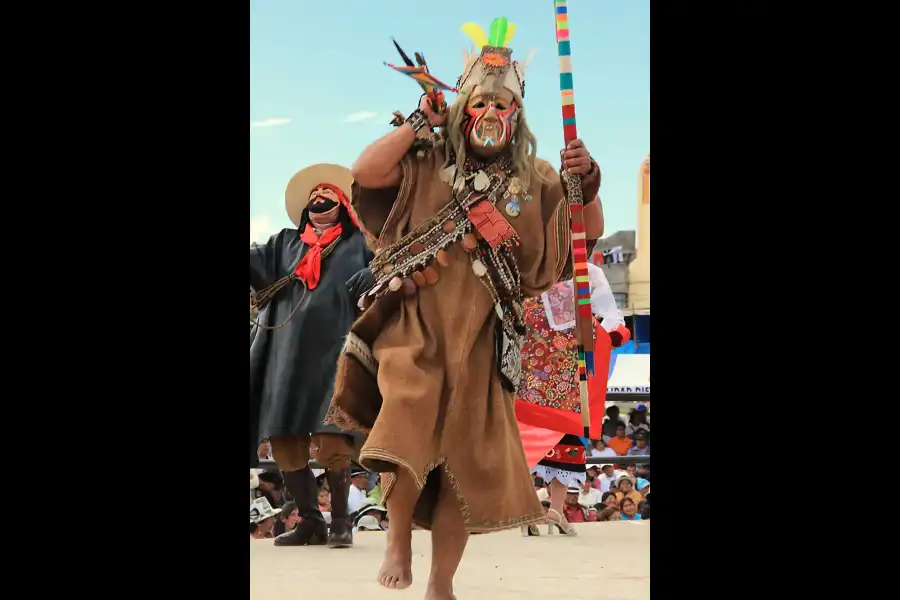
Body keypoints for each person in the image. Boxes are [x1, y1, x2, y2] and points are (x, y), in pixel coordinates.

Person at [326, 17, 604, 597]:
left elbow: (581, 238)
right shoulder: (426, 154)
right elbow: (365, 173)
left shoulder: (539, 177)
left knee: (462, 466)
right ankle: (398, 536)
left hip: (484, 335)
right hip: (415, 321)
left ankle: (441, 582)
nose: (490, 112)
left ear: (517, 113)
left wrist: (590, 182)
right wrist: (418, 123)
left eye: (502, 103)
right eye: (479, 100)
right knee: (406, 416)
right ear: (463, 105)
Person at [250, 163, 374, 549]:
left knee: (332, 435)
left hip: (335, 351)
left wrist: (377, 271)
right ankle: (310, 521)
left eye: (329, 197)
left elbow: (387, 268)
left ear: (343, 205)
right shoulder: (284, 243)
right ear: (306, 209)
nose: (320, 202)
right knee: (286, 438)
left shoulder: (361, 243)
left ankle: (340, 522)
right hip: (286, 356)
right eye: (315, 199)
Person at [516, 261, 628, 537]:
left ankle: (529, 511)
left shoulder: (525, 265)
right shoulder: (586, 271)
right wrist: (607, 339)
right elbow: (614, 323)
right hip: (566, 372)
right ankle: (554, 510)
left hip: (532, 369)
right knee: (562, 433)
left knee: (527, 436)